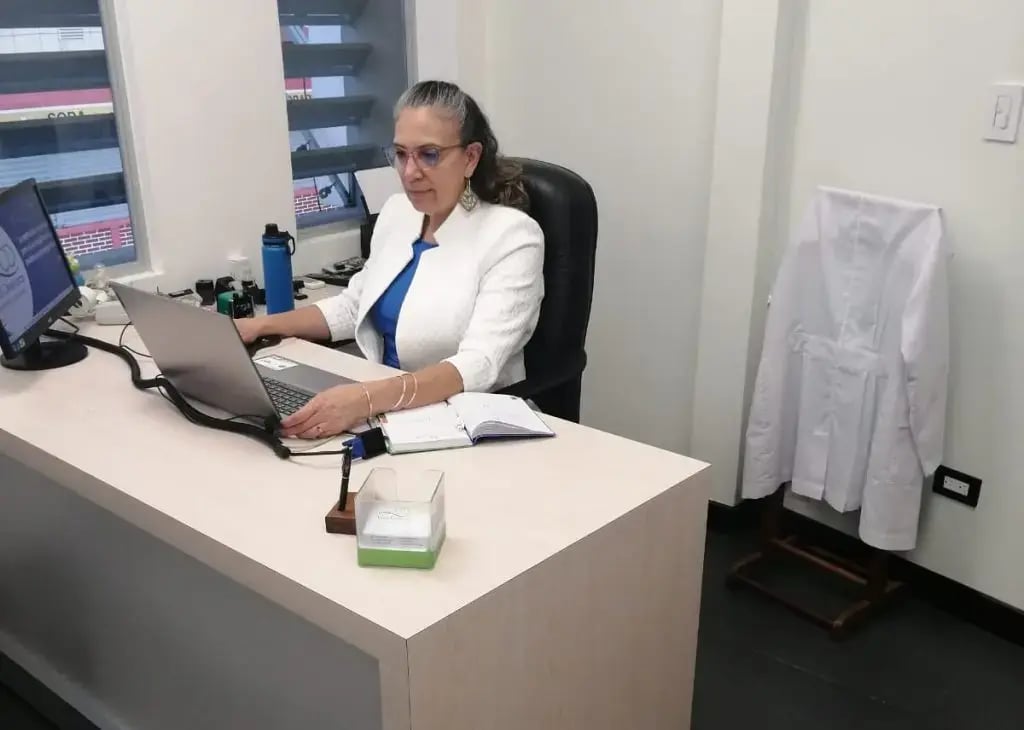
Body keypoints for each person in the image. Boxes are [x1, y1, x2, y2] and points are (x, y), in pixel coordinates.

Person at [237, 80, 545, 439]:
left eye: (429, 154)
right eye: (401, 154)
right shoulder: (399, 212)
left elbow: (479, 364)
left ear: (471, 157)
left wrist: (365, 399)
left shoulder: (511, 236)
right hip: (389, 411)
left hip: (469, 421)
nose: (410, 172)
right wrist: (260, 327)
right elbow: (353, 308)